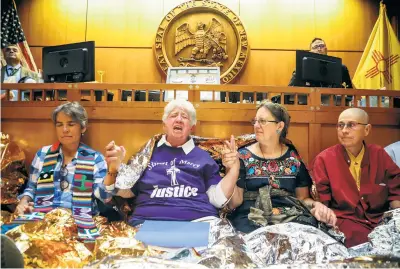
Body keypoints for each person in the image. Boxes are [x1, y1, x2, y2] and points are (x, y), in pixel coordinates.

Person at [100, 99, 241, 226]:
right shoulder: (146, 155)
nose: (179, 119)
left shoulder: (204, 158)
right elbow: (116, 193)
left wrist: (233, 168)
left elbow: (218, 199)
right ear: (164, 124)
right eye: (173, 115)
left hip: (199, 222)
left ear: (192, 127)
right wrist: (114, 168)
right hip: (148, 223)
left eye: (184, 117)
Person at [228, 100, 336, 233]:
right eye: (255, 121)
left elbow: (302, 198)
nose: (256, 125)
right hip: (252, 215)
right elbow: (234, 203)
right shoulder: (242, 156)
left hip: (290, 215)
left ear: (279, 126)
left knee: (309, 233)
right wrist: (231, 169)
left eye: (262, 121)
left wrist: (316, 204)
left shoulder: (293, 157)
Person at [15, 102, 108, 240]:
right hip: (43, 219)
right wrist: (23, 202)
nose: (64, 129)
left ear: (82, 128)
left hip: (78, 223)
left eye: (71, 124)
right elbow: (31, 188)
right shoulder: (43, 154)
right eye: (59, 124)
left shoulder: (95, 159)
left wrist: (113, 169)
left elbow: (104, 196)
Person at [311, 108, 400, 248]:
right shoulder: (325, 159)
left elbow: (396, 190)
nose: (344, 130)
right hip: (345, 224)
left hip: (380, 222)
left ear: (367, 129)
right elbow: (323, 202)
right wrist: (322, 211)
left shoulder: (379, 155)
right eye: (340, 125)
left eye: (351, 125)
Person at [288, 38, 353, 89]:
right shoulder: (301, 68)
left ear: (326, 50)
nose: (319, 49)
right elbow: (290, 89)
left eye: (321, 46)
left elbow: (349, 91)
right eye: (315, 47)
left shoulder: (341, 68)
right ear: (311, 52)